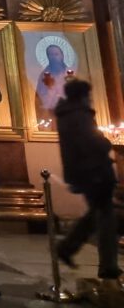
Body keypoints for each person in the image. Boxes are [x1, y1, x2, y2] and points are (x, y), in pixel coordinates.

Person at [55, 79, 119, 279]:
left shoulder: (67, 114)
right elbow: (91, 142)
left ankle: (67, 247)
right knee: (106, 216)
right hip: (95, 172)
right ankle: (108, 266)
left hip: (85, 172)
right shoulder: (79, 115)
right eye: (89, 95)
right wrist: (106, 144)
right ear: (83, 96)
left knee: (97, 213)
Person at [35, 43, 71, 126]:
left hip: (69, 113)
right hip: (51, 113)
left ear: (62, 55)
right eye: (50, 55)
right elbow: (40, 97)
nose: (54, 57)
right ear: (48, 57)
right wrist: (50, 90)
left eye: (56, 54)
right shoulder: (44, 75)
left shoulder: (70, 73)